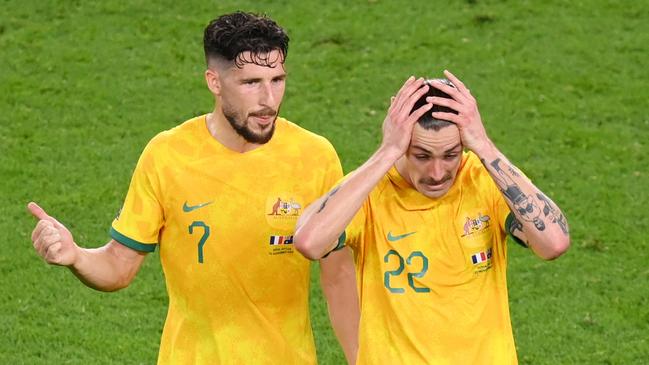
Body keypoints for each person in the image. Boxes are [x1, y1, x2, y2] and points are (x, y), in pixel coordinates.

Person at [28, 11, 359, 365]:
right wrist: (75, 255)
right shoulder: (168, 156)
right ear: (214, 81)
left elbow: (338, 274)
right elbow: (118, 267)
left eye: (277, 80)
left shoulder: (313, 156)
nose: (269, 99)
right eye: (251, 83)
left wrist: (360, 359)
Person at [294, 71, 570, 364]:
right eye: (422, 156)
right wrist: (387, 150)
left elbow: (553, 243)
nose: (438, 174)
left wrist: (484, 145)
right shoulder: (369, 192)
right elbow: (310, 242)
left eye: (450, 155)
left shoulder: (484, 180)